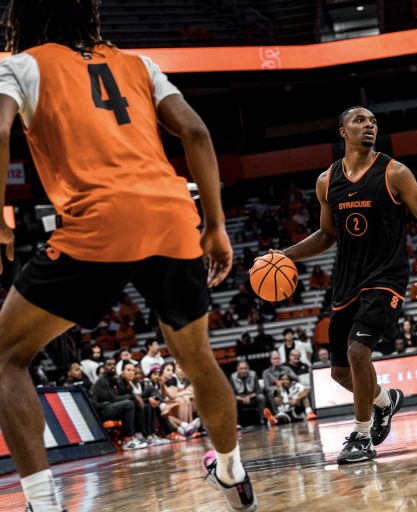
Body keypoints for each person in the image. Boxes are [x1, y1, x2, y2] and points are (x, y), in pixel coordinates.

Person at [0, 5, 255, 503]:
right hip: (173, 215)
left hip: (100, 221)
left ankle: (43, 501)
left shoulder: (21, 65)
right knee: (199, 359)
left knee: (6, 355)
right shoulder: (138, 64)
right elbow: (197, 132)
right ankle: (230, 470)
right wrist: (217, 227)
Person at [266, 106, 417, 464]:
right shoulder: (327, 181)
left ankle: (361, 437)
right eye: (360, 121)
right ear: (343, 131)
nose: (369, 126)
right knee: (341, 373)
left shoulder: (395, 173)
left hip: (387, 278)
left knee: (359, 352)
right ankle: (384, 401)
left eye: (373, 121)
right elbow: (328, 234)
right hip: (346, 282)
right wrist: (285, 255)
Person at [92, 358, 148, 450]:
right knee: (128, 404)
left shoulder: (114, 380)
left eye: (114, 364)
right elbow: (113, 399)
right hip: (101, 410)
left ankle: (139, 435)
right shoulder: (102, 381)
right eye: (109, 364)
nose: (112, 366)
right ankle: (128, 440)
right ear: (104, 368)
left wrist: (134, 396)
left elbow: (121, 395)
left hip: (111, 407)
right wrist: (133, 396)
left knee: (135, 403)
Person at [229, 361, 266, 428]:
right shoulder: (233, 377)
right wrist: (241, 398)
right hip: (240, 399)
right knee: (232, 401)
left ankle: (262, 419)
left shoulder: (253, 374)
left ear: (248, 368)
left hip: (252, 397)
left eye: (245, 368)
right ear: (237, 369)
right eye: (241, 369)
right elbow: (231, 394)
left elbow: (259, 390)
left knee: (261, 397)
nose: (243, 371)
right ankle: (236, 423)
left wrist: (250, 396)